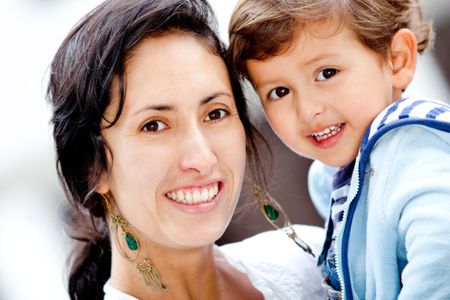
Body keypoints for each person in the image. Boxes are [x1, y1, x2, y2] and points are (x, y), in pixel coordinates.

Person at [47, 0, 325, 299]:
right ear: (92, 166)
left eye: (215, 113)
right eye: (154, 125)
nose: (202, 159)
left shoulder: (314, 267)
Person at [228, 0, 450, 299]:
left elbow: (442, 247)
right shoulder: (348, 173)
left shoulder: (414, 147)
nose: (307, 111)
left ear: (397, 59)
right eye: (279, 92)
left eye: (327, 73)